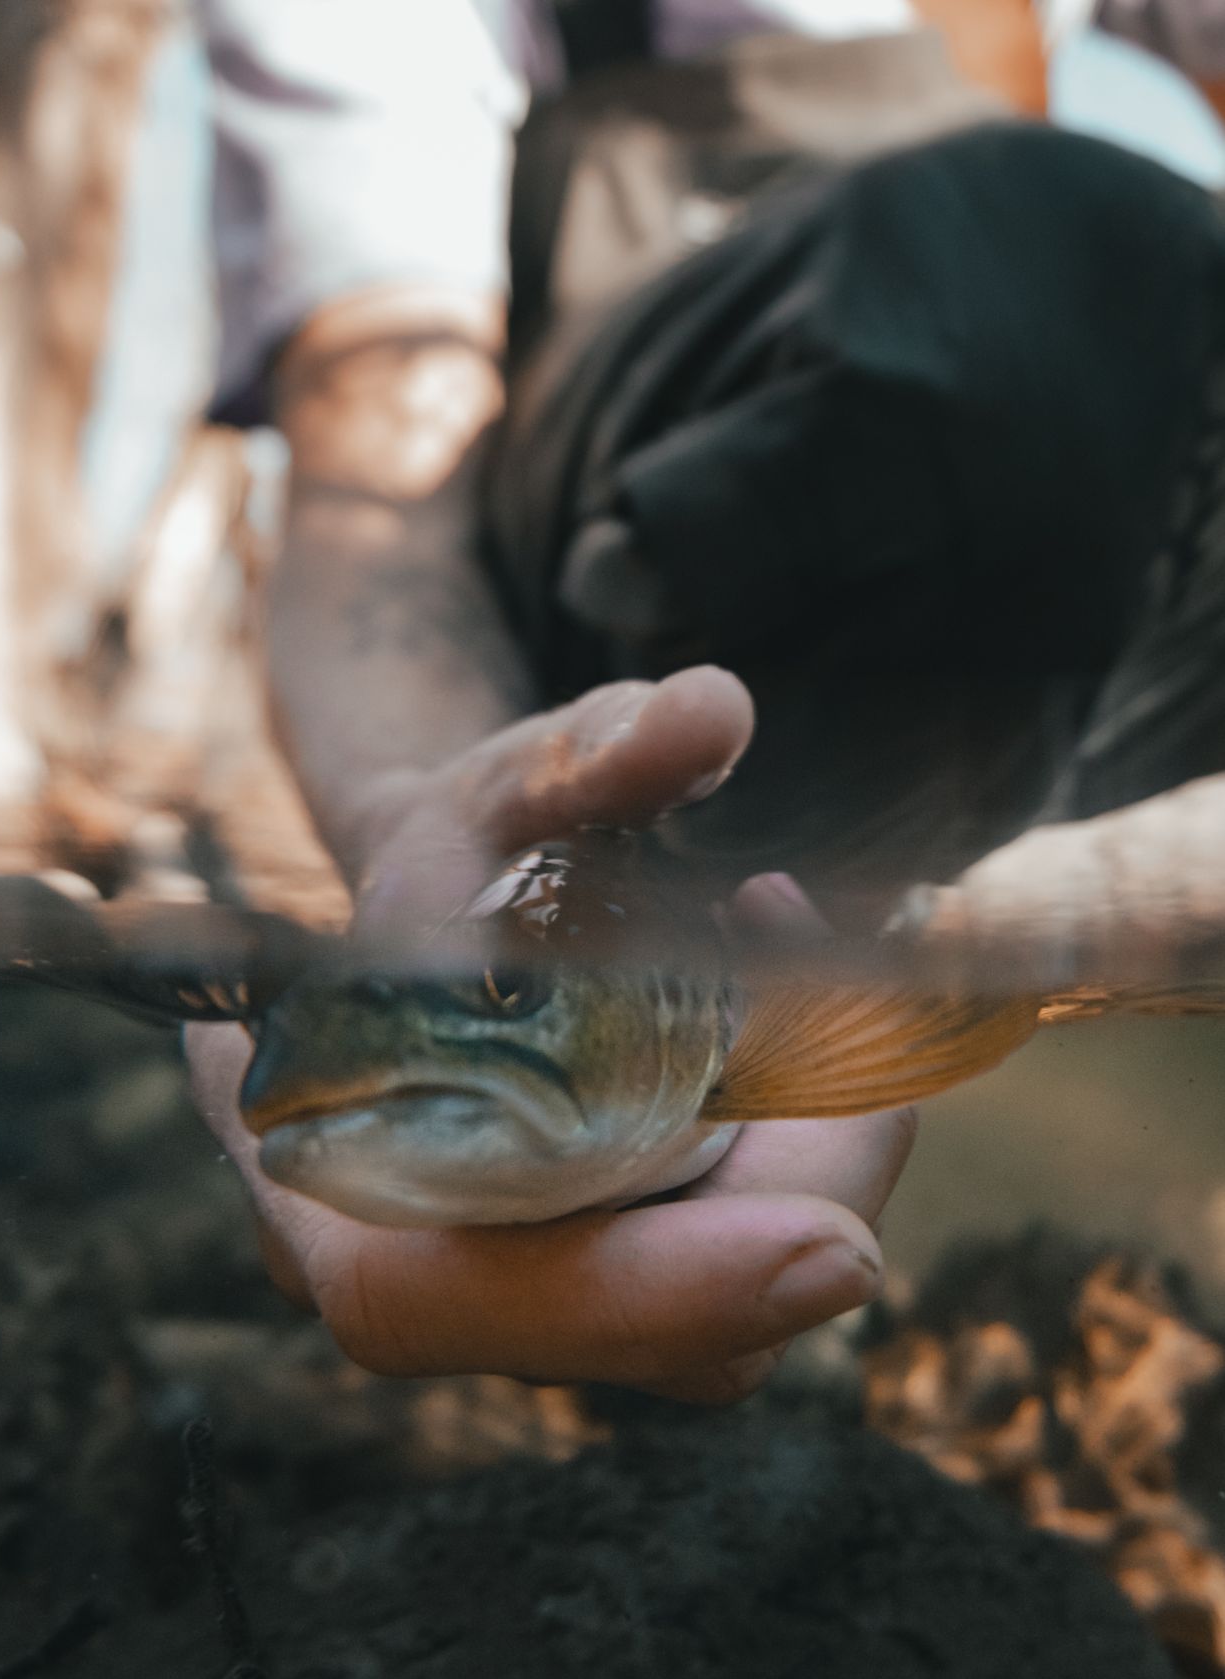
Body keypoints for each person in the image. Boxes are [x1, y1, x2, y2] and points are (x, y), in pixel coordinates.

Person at [185, 0, 1225, 1401]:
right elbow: (388, 461)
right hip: (625, 535)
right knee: (1036, 260)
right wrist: (413, 811)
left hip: (1064, 574)